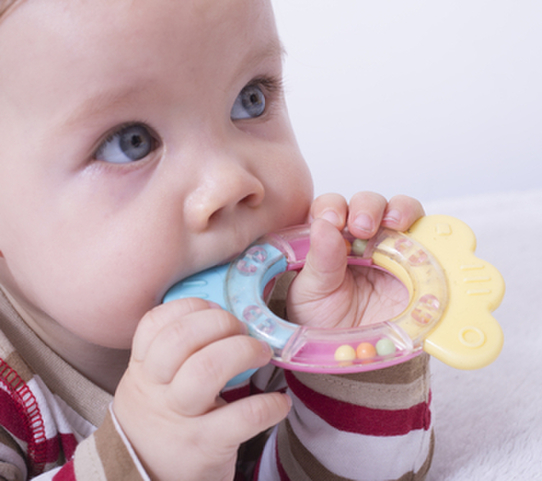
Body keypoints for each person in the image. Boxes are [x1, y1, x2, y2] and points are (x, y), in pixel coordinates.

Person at [0, 0, 434, 480]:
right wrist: (143, 460)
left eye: (250, 98)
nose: (231, 182)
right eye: (131, 141)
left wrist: (357, 356)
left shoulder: (288, 308)